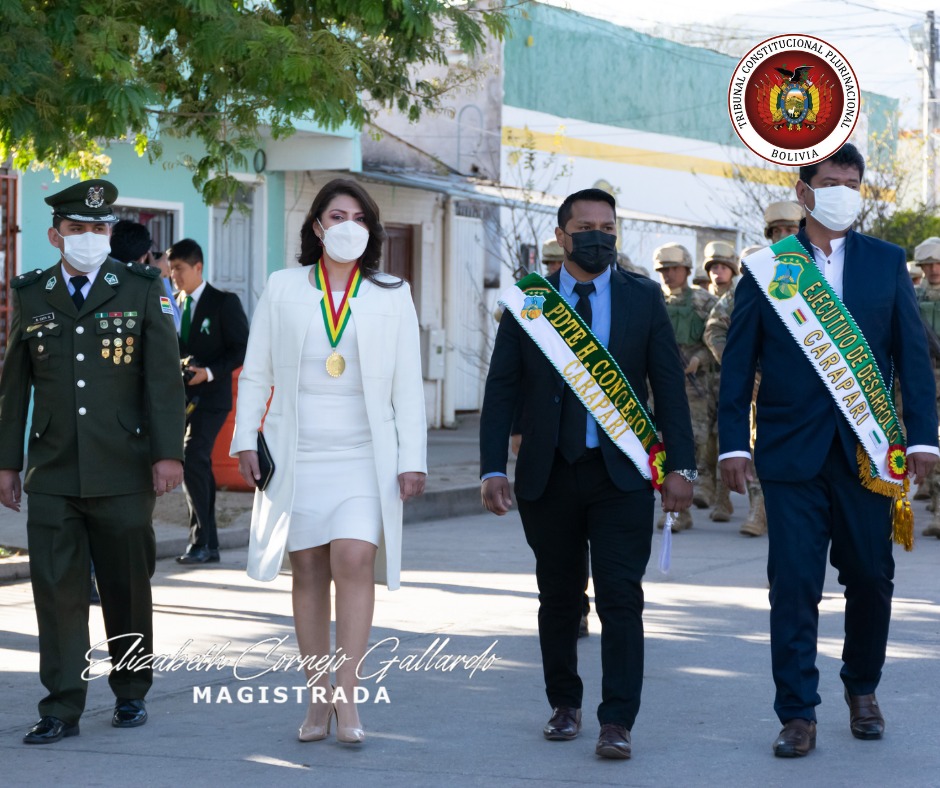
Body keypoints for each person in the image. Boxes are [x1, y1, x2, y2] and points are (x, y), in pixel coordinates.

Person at [719, 143, 939, 757]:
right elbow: (738, 367)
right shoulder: (766, 267)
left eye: (853, 181)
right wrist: (731, 445)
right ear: (805, 189)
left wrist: (922, 437)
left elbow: (912, 359)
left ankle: (862, 689)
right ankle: (797, 713)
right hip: (790, 454)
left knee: (871, 577)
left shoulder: (886, 261)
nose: (845, 190)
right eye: (833, 180)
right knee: (792, 584)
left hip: (870, 451)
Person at [480, 188, 695, 760]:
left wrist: (682, 466)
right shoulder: (532, 301)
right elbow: (502, 386)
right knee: (558, 597)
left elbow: (668, 388)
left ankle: (617, 719)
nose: (598, 235)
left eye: (608, 226)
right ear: (561, 235)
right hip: (547, 476)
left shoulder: (643, 298)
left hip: (619, 475)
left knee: (621, 596)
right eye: (586, 226)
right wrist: (489, 468)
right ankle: (564, 704)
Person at [231, 178, 427, 744]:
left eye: (360, 218)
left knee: (354, 557)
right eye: (337, 215)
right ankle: (317, 701)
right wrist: (245, 439)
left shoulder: (392, 292)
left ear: (372, 230)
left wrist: (412, 459)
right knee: (310, 569)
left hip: (365, 455)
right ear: (316, 226)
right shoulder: (284, 286)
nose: (349, 226)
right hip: (299, 453)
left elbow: (408, 388)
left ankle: (348, 696)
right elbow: (258, 370)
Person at [0, 179, 185, 744]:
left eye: (100, 229)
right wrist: (8, 462)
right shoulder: (31, 293)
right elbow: (14, 384)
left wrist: (167, 454)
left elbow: (161, 378)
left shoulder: (140, 287)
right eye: (78, 229)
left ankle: (130, 692)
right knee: (55, 588)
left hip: (123, 464)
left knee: (127, 584)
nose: (90, 238)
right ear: (57, 236)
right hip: (53, 467)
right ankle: (61, 705)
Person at [168, 239, 249, 564]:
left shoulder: (223, 302)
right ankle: (206, 543)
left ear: (198, 267)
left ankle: (203, 541)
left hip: (212, 398)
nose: (175, 275)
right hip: (182, 397)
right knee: (193, 464)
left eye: (180, 269)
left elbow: (242, 347)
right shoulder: (173, 303)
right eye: (171, 269)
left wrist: (211, 373)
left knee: (193, 456)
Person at [704, 245, 767, 536]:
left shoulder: (796, 293)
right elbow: (714, 331)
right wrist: (740, 369)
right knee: (754, 444)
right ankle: (758, 508)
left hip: (793, 389)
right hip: (753, 386)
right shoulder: (735, 295)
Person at [655, 242, 718, 527]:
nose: (668, 274)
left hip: (695, 387)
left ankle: (687, 504)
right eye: (663, 269)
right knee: (660, 446)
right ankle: (676, 510)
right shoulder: (653, 300)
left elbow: (716, 337)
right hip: (658, 385)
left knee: (693, 445)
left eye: (673, 269)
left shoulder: (703, 301)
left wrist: (699, 360)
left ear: (687, 270)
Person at [913, 237, 940, 533]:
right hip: (921, 378)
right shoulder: (912, 298)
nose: (933, 269)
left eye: (937, 263)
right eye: (928, 264)